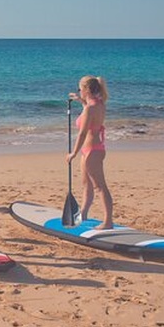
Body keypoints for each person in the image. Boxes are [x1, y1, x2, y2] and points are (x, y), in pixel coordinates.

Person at [67, 75, 113, 229]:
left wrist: (73, 153)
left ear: (86, 89)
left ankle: (108, 222)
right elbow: (89, 109)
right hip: (92, 149)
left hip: (92, 151)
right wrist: (80, 100)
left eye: (80, 88)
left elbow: (82, 133)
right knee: (86, 185)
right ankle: (84, 213)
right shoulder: (98, 103)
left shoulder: (91, 108)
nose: (79, 91)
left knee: (100, 187)